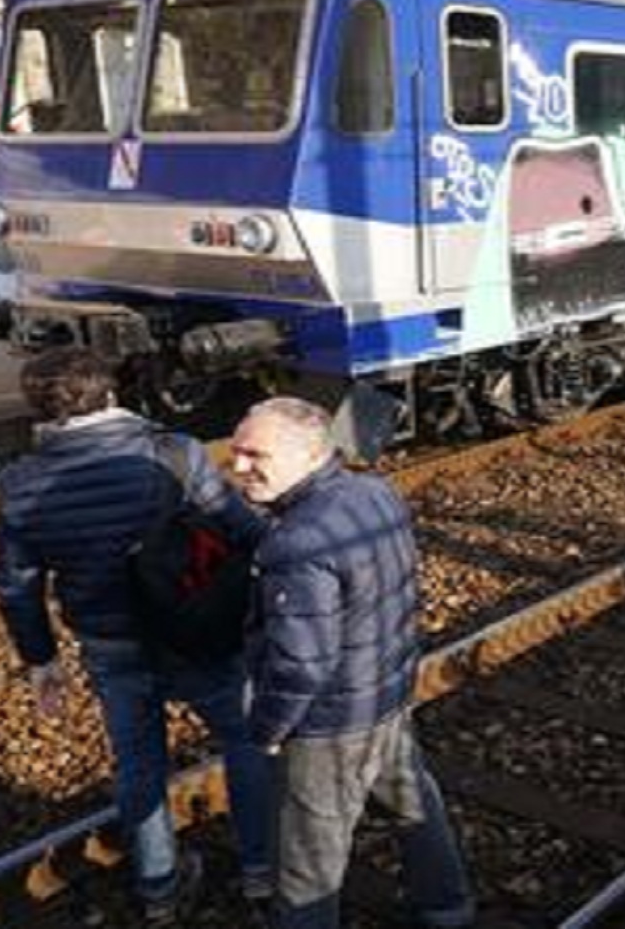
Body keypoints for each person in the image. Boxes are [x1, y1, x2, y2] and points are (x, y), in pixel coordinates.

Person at [0, 347, 272, 923]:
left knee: (139, 764)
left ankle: (159, 892)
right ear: (111, 394)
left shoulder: (17, 483)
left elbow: (16, 585)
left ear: (39, 411)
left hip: (108, 641)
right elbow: (241, 531)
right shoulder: (173, 452)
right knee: (245, 741)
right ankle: (263, 872)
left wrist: (42, 662)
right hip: (199, 629)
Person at [232, 397, 475, 929]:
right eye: (236, 453)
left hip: (329, 725)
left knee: (308, 863)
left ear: (308, 455)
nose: (240, 468)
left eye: (255, 455)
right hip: (385, 693)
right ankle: (447, 906)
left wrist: (269, 730)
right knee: (413, 804)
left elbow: (301, 665)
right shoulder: (374, 491)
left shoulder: (294, 543)